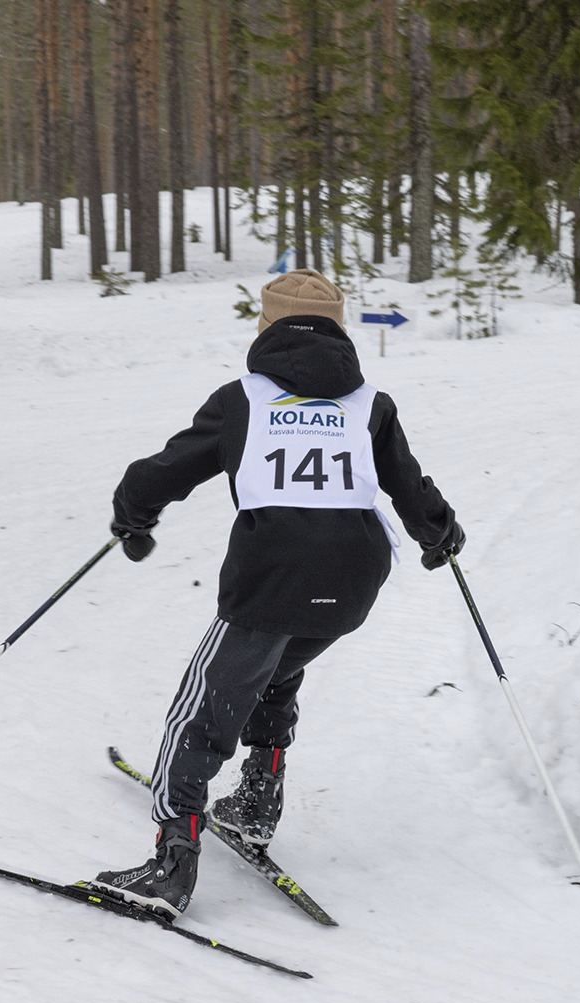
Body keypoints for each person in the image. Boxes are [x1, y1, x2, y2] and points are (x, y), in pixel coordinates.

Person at [92, 268, 464, 920]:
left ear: (266, 326)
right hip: (353, 580)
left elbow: (164, 472)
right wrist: (440, 535)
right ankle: (256, 804)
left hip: (271, 577)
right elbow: (409, 485)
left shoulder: (243, 399)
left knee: (202, 710)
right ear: (338, 331)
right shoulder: (370, 404)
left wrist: (134, 515)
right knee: (277, 669)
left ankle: (172, 863)